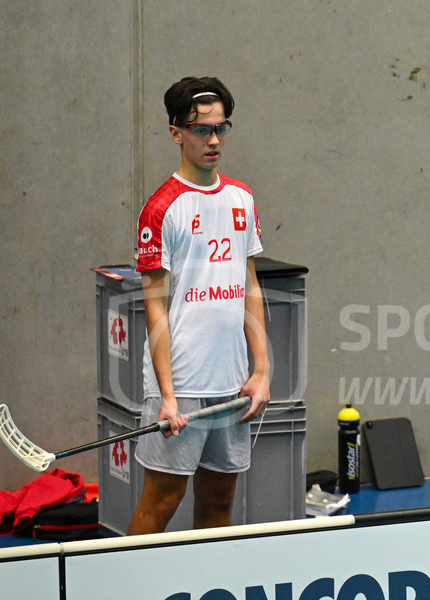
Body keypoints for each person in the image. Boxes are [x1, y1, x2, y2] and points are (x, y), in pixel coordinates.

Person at [127, 76, 271, 534]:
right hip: (183, 383)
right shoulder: (161, 209)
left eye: (221, 128)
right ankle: (128, 579)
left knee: (219, 502)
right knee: (162, 501)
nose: (213, 140)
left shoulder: (241, 198)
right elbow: (155, 309)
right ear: (176, 133)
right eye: (201, 129)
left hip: (232, 382)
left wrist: (261, 371)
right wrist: (167, 396)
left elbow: (250, 287)